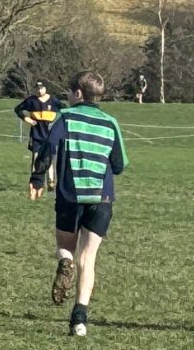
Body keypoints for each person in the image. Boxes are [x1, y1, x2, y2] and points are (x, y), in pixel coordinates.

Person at [32, 71, 127, 336]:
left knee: (66, 247)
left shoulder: (65, 117)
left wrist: (37, 179)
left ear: (79, 94)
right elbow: (119, 165)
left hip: (70, 195)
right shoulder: (110, 123)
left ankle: (65, 262)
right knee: (89, 257)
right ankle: (80, 318)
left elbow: (47, 148)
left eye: (70, 91)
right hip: (102, 197)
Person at [14, 79, 59, 188]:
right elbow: (18, 109)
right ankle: (35, 181)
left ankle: (51, 181)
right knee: (36, 156)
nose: (39, 90)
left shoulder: (53, 101)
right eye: (37, 88)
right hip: (36, 133)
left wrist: (58, 123)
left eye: (41, 88)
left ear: (46, 89)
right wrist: (26, 119)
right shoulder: (31, 101)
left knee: (49, 158)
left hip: (49, 134)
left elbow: (65, 110)